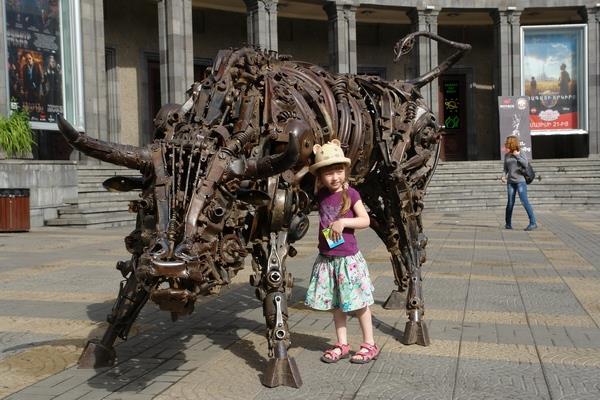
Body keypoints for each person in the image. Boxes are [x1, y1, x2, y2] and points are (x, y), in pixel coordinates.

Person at [304, 139, 379, 364]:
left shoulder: (352, 194)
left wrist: (343, 223)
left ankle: (369, 344)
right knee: (337, 305)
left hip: (348, 260)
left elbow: (365, 220)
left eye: (338, 172)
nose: (334, 177)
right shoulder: (321, 195)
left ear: (345, 171)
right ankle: (342, 344)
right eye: (328, 174)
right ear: (319, 177)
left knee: (359, 304)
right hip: (328, 258)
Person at [502, 135, 537, 231]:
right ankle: (508, 224)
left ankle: (533, 223)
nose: (506, 144)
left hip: (520, 181)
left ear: (512, 143)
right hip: (510, 182)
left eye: (508, 142)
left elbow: (525, 164)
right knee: (510, 203)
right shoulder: (507, 155)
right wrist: (503, 175)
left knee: (524, 201)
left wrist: (517, 156)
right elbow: (505, 168)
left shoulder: (521, 152)